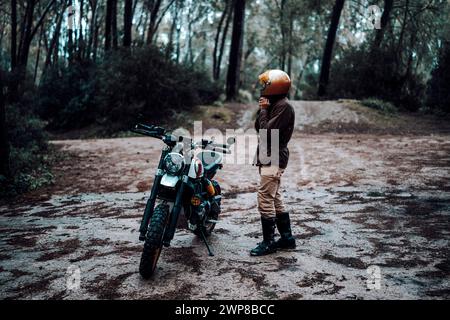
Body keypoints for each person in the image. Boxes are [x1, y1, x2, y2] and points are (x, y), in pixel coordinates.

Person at [251, 69, 296, 256]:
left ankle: (268, 242)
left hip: (274, 155)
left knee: (265, 196)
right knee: (275, 196)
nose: (263, 88)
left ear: (274, 86)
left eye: (265, 84)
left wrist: (263, 110)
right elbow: (258, 126)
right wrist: (264, 109)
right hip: (269, 153)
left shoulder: (284, 107)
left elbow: (266, 132)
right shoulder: (275, 104)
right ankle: (286, 238)